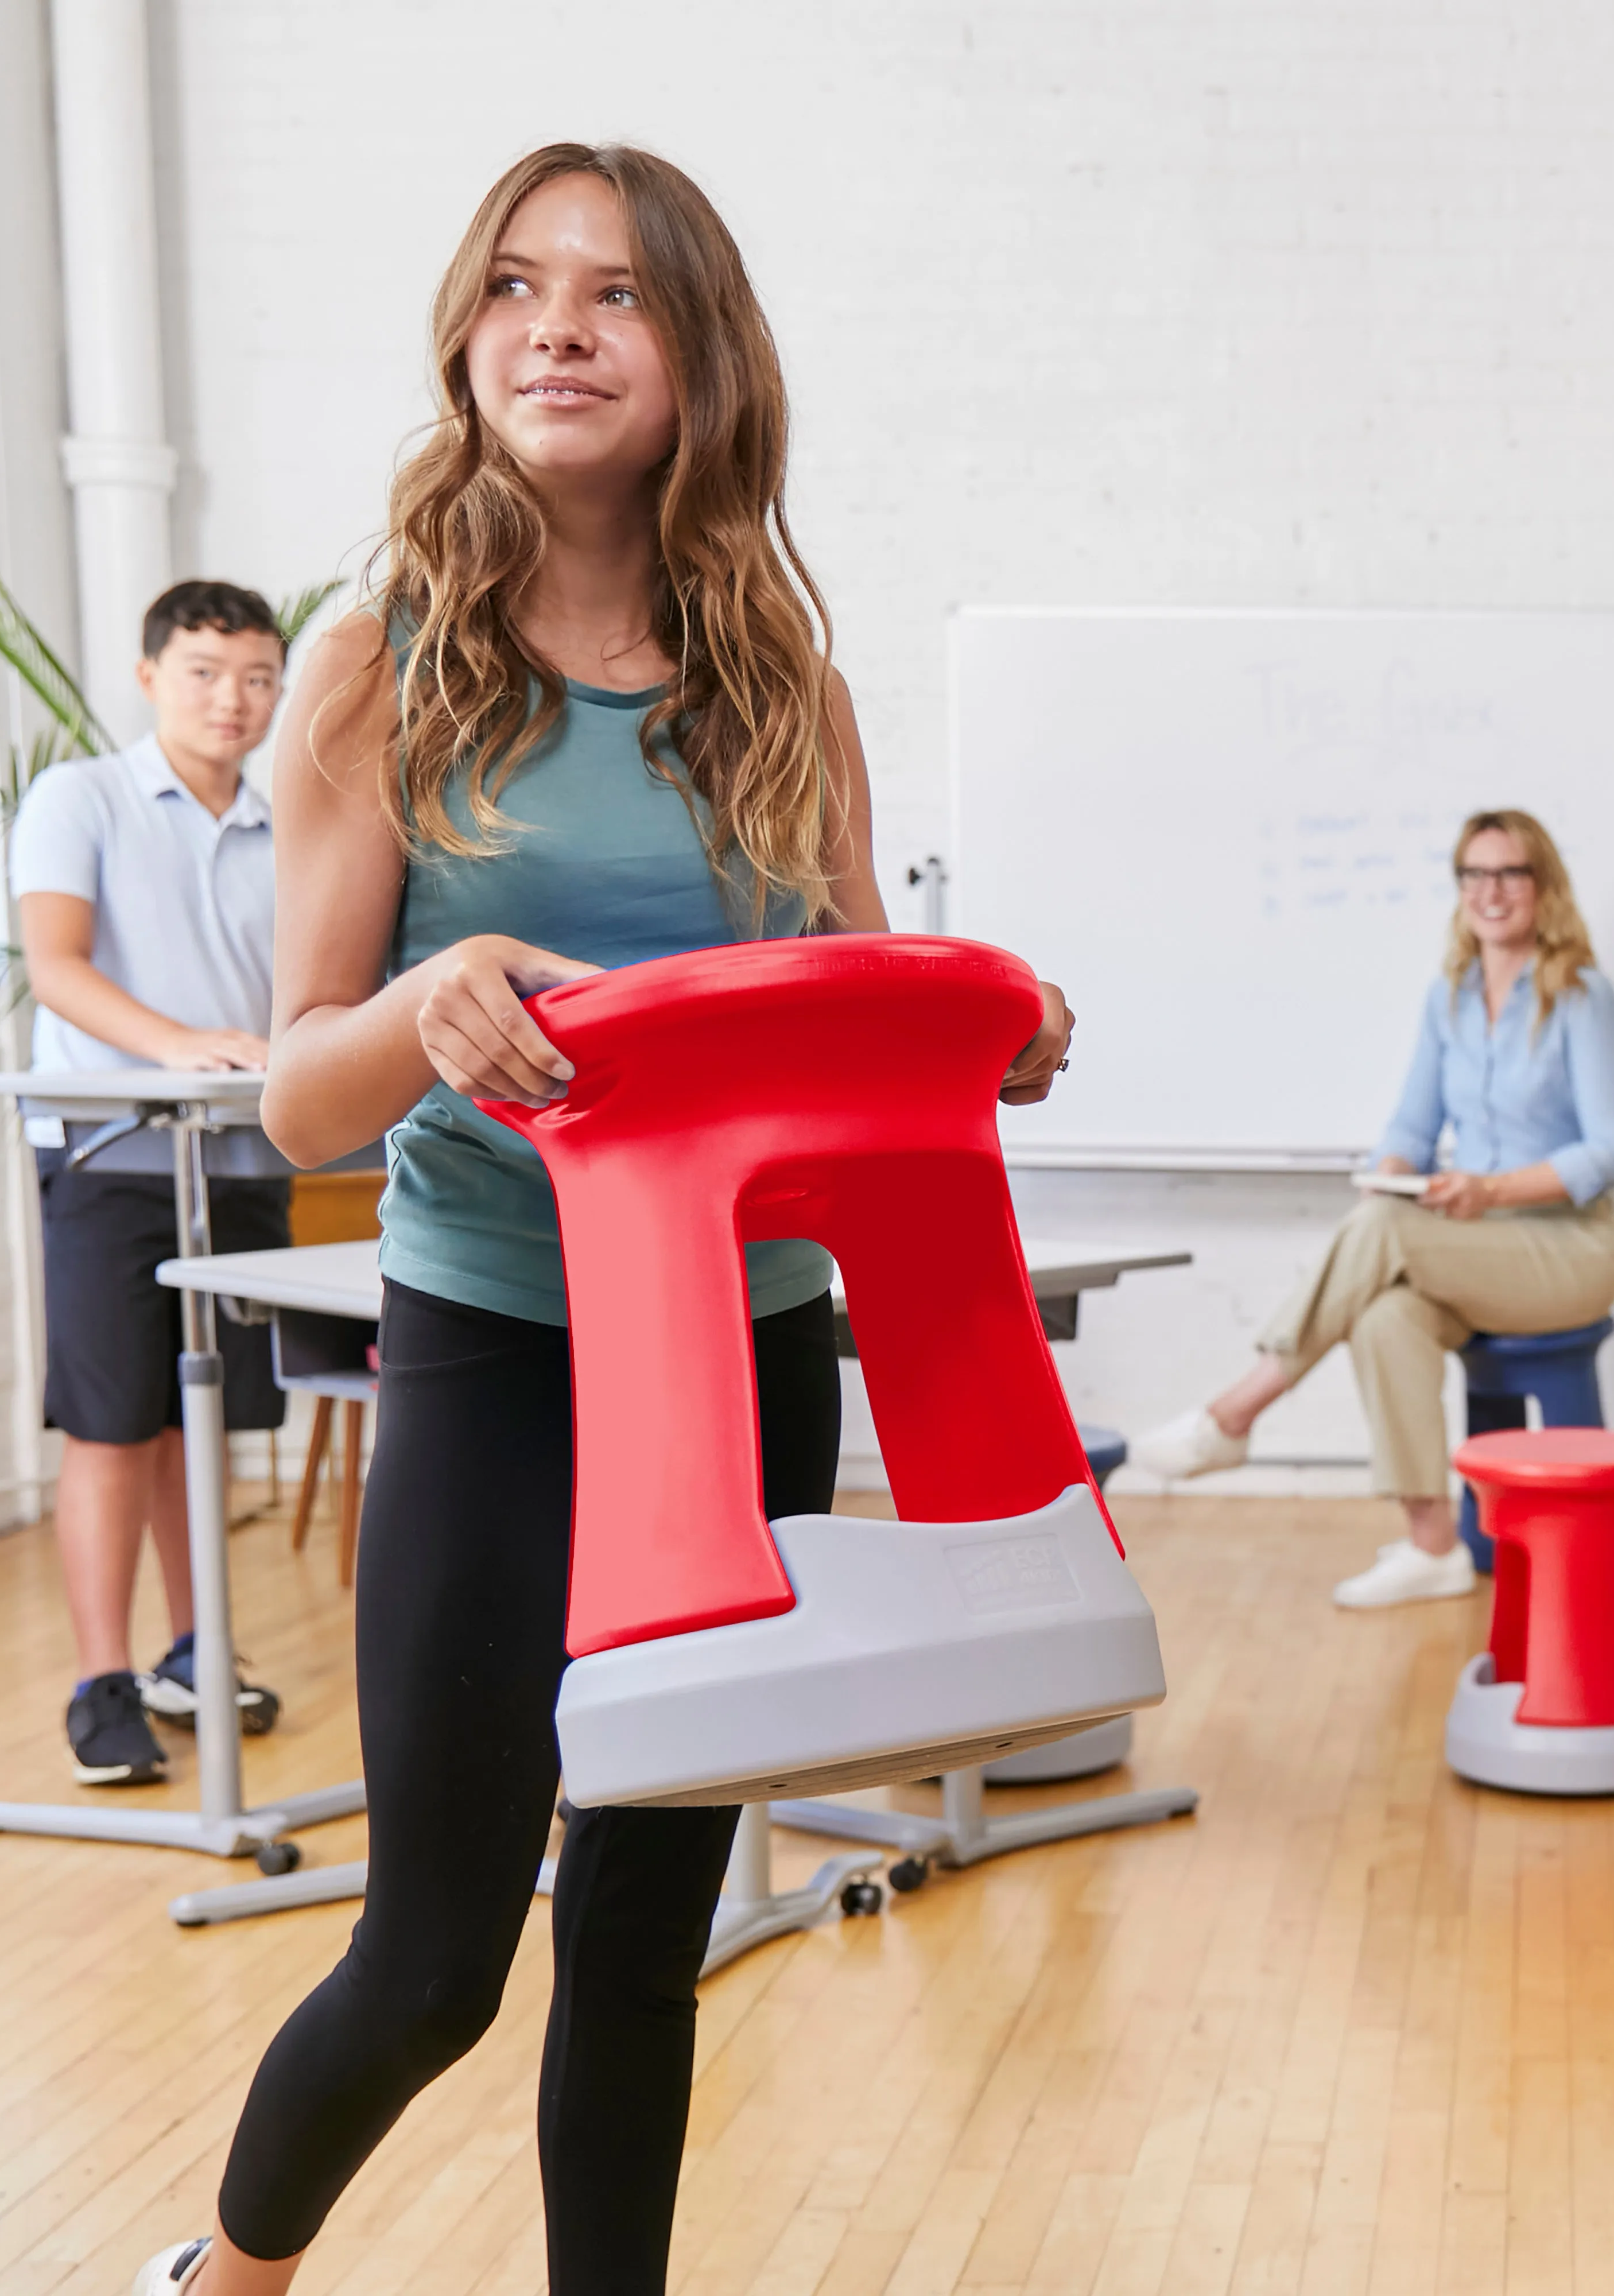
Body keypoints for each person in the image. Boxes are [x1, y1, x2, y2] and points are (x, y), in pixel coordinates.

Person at [128, 145, 1072, 2296]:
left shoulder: (785, 690)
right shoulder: (381, 668)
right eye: (517, 287)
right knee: (441, 1956)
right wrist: (424, 1005)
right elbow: (294, 1083)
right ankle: (234, 2272)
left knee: (646, 1946)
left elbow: (844, 1023)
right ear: (469, 343)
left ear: (700, 360)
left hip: (744, 1358)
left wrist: (978, 1030)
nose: (557, 324)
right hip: (497, 1348)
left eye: (618, 295)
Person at [1132, 808, 1614, 1608]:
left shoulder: (1583, 995)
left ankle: (1235, 1411)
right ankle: (1433, 1543)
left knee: (1383, 1234)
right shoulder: (1454, 998)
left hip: (1569, 1252)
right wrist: (1393, 1170)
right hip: (1478, 1246)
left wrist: (1493, 1189)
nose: (1491, 891)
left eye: (1509, 872)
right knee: (1384, 1315)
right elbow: (1411, 1124)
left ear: (1543, 885)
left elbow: (1612, 1150)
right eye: (1474, 873)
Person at [8, 580, 293, 1787]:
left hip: (237, 1150)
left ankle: (196, 1647)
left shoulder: (288, 828)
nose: (232, 700)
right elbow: (54, 964)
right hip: (111, 1151)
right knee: (114, 1419)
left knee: (202, 1414)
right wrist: (175, 1041)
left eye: (256, 678)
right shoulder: (84, 797)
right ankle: (100, 1680)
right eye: (204, 673)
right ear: (149, 676)